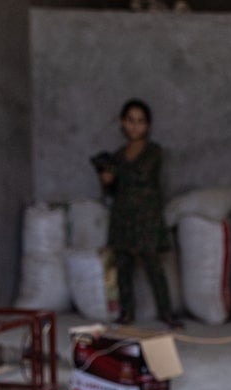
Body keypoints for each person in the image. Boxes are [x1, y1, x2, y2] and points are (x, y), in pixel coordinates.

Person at [97, 98, 182, 329]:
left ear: (148, 126)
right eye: (130, 121)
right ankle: (126, 313)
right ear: (123, 123)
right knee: (123, 268)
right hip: (123, 217)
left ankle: (167, 314)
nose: (135, 126)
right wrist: (106, 180)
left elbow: (140, 176)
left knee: (154, 268)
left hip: (146, 217)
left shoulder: (154, 152)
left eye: (140, 122)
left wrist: (114, 172)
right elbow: (113, 191)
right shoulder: (116, 155)